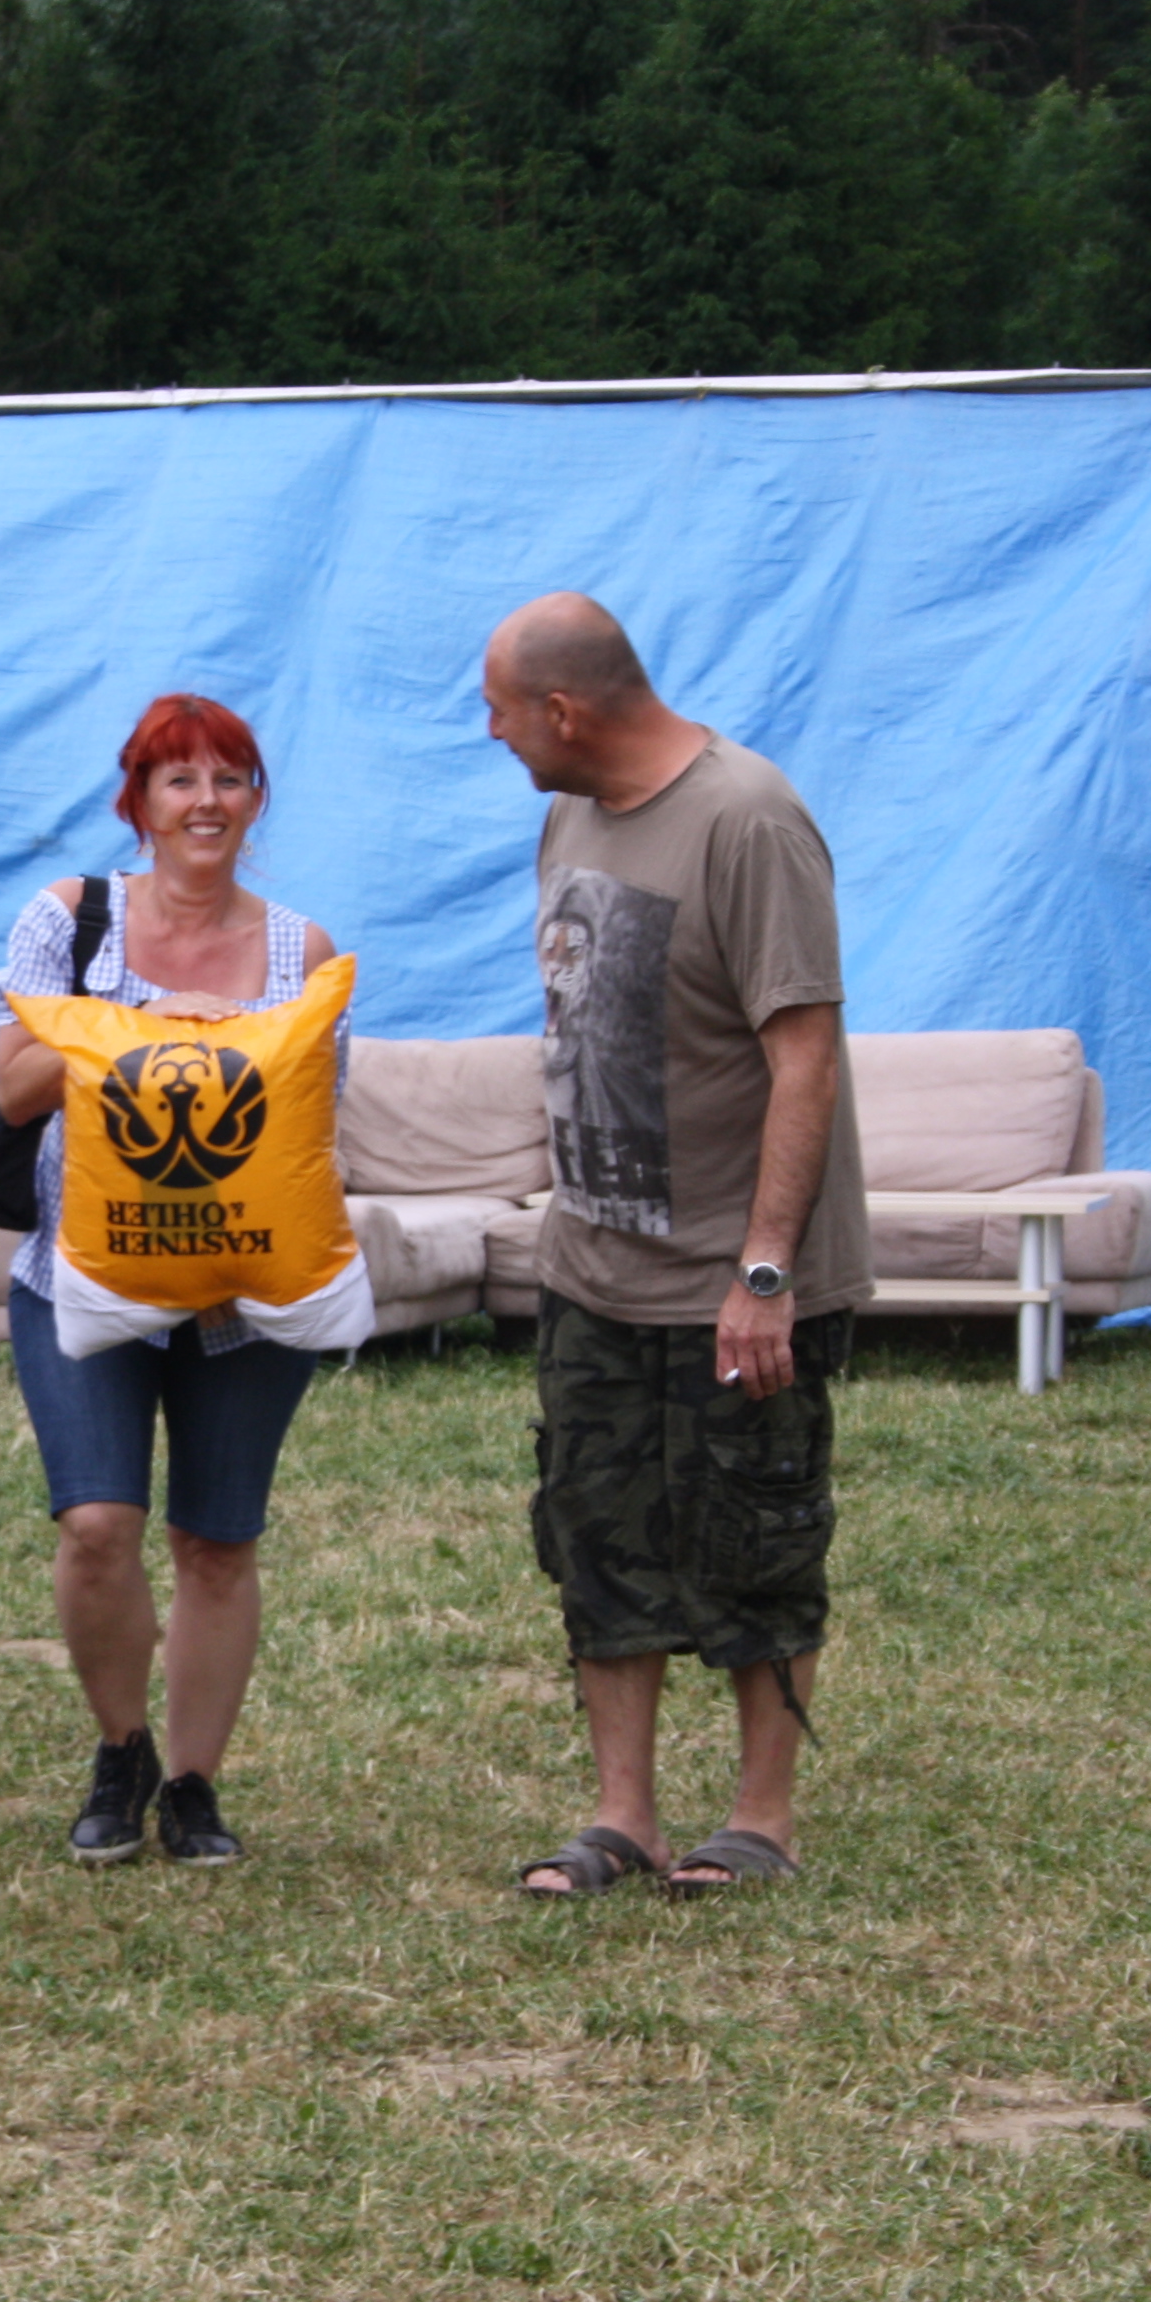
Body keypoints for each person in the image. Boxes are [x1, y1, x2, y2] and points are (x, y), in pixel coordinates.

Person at [480, 593, 872, 1898]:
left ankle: (761, 1820)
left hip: (735, 1278)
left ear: (564, 710)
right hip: (597, 1267)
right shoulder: (571, 813)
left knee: (756, 1537)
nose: (494, 735)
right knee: (596, 1537)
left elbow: (805, 1059)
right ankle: (625, 1818)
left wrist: (764, 1273)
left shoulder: (749, 820)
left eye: (500, 711)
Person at [0, 693, 344, 1868]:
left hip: (246, 1296)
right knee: (97, 1526)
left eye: (229, 778)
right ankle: (121, 1748)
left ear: (256, 801)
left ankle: (192, 1785)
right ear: (136, 801)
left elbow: (312, 1125)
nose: (205, 801)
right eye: (178, 778)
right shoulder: (70, 920)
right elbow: (14, 1088)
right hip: (82, 1275)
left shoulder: (302, 953)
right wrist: (139, 1030)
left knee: (215, 1544)